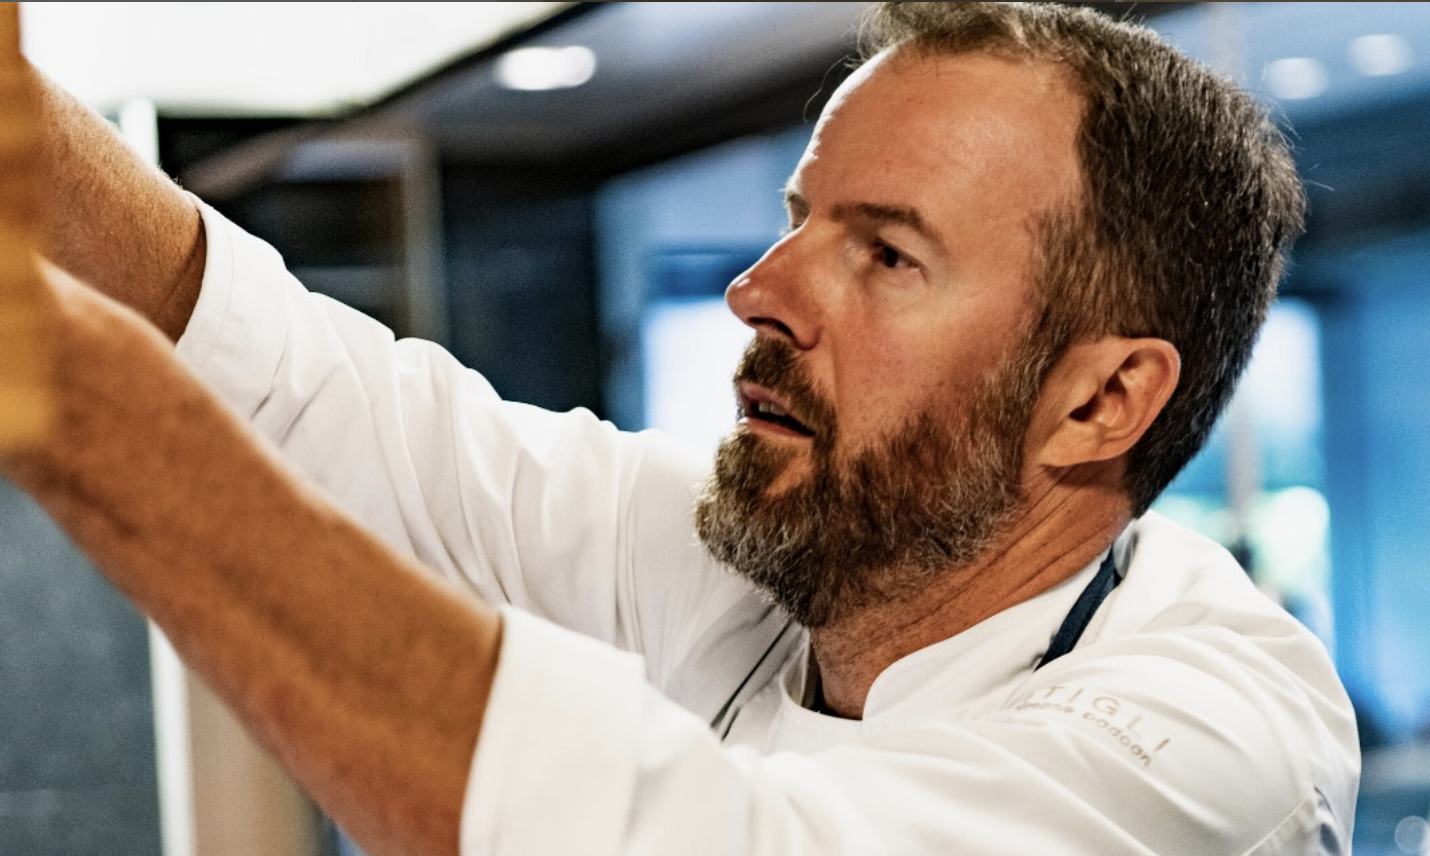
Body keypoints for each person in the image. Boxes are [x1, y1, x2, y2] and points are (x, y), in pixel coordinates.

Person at [5, 3, 1358, 855]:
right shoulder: (779, 558)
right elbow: (305, 390)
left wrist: (65, 384)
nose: (757, 292)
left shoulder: (1207, 743)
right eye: (795, 222)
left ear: (1098, 400)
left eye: (883, 255)